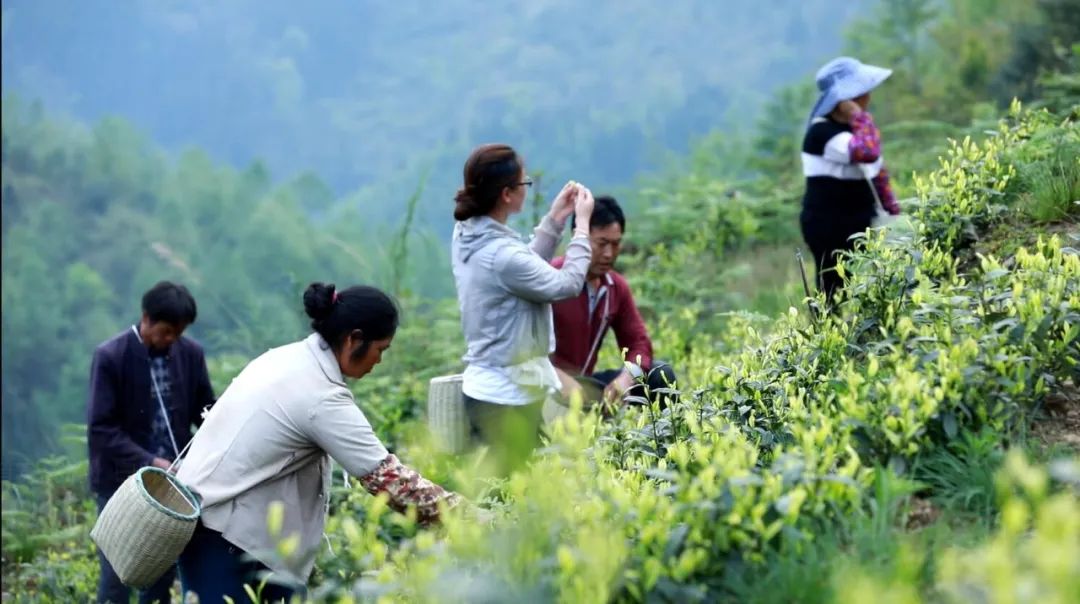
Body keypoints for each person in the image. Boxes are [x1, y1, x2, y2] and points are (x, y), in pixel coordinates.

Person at [175, 283, 462, 602]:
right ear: (354, 338)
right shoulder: (318, 395)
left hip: (213, 522)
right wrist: (468, 517)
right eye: (380, 349)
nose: (378, 361)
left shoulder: (284, 358)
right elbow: (389, 481)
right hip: (228, 537)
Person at [450, 143, 594, 476]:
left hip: (490, 389)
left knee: (506, 488)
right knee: (507, 496)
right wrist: (581, 228)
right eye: (524, 184)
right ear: (506, 195)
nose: (527, 189)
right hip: (506, 396)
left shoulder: (467, 234)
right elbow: (565, 285)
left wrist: (555, 219)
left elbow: (522, 271)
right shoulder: (500, 254)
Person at [87, 281, 217, 604]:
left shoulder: (190, 354)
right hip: (121, 484)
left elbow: (207, 413)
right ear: (145, 318)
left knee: (160, 576)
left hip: (174, 486)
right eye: (165, 331)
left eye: (178, 332)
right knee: (117, 575)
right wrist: (152, 461)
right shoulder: (110, 357)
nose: (171, 339)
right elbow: (101, 430)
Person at [549, 195, 677, 409]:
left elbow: (639, 345)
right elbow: (522, 350)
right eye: (601, 243)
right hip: (547, 386)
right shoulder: (550, 277)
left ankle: (666, 440)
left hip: (585, 387)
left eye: (616, 244)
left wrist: (626, 379)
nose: (609, 254)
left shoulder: (615, 287)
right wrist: (555, 377)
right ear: (578, 238)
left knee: (660, 374)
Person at [800, 56, 901, 303]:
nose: (868, 98)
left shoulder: (852, 130)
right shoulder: (821, 133)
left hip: (859, 220)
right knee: (833, 289)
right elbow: (867, 152)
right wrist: (860, 116)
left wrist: (894, 212)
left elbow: (878, 174)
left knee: (876, 281)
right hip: (828, 225)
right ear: (845, 101)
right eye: (862, 93)